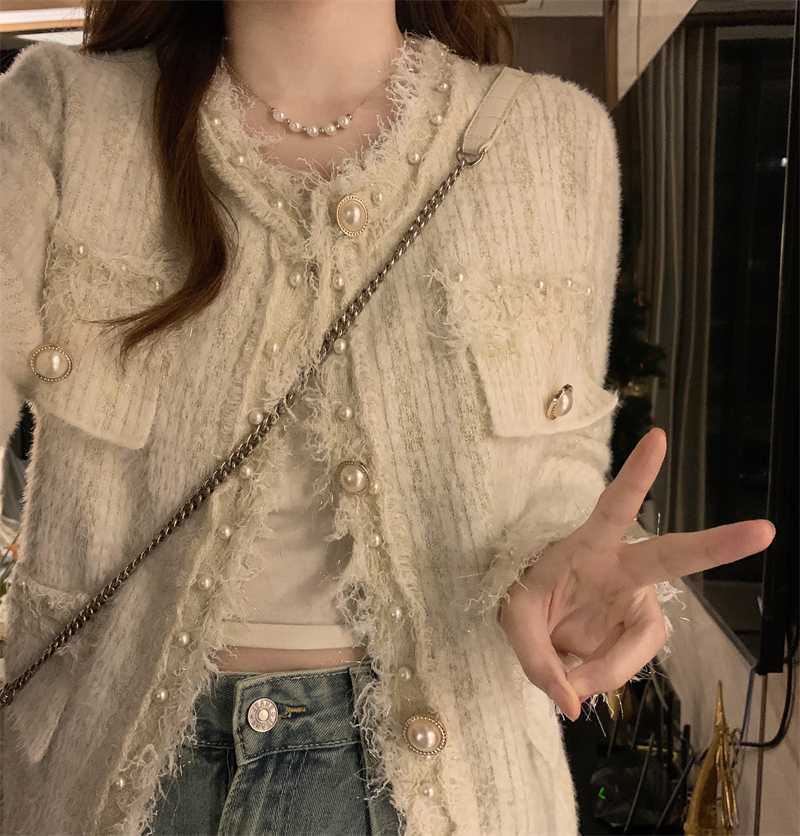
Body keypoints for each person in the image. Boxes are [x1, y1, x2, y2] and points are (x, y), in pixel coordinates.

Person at [0, 1, 776, 834]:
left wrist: (555, 579)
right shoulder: (62, 114)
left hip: (461, 790)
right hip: (100, 784)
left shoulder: (552, 137)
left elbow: (557, 477)